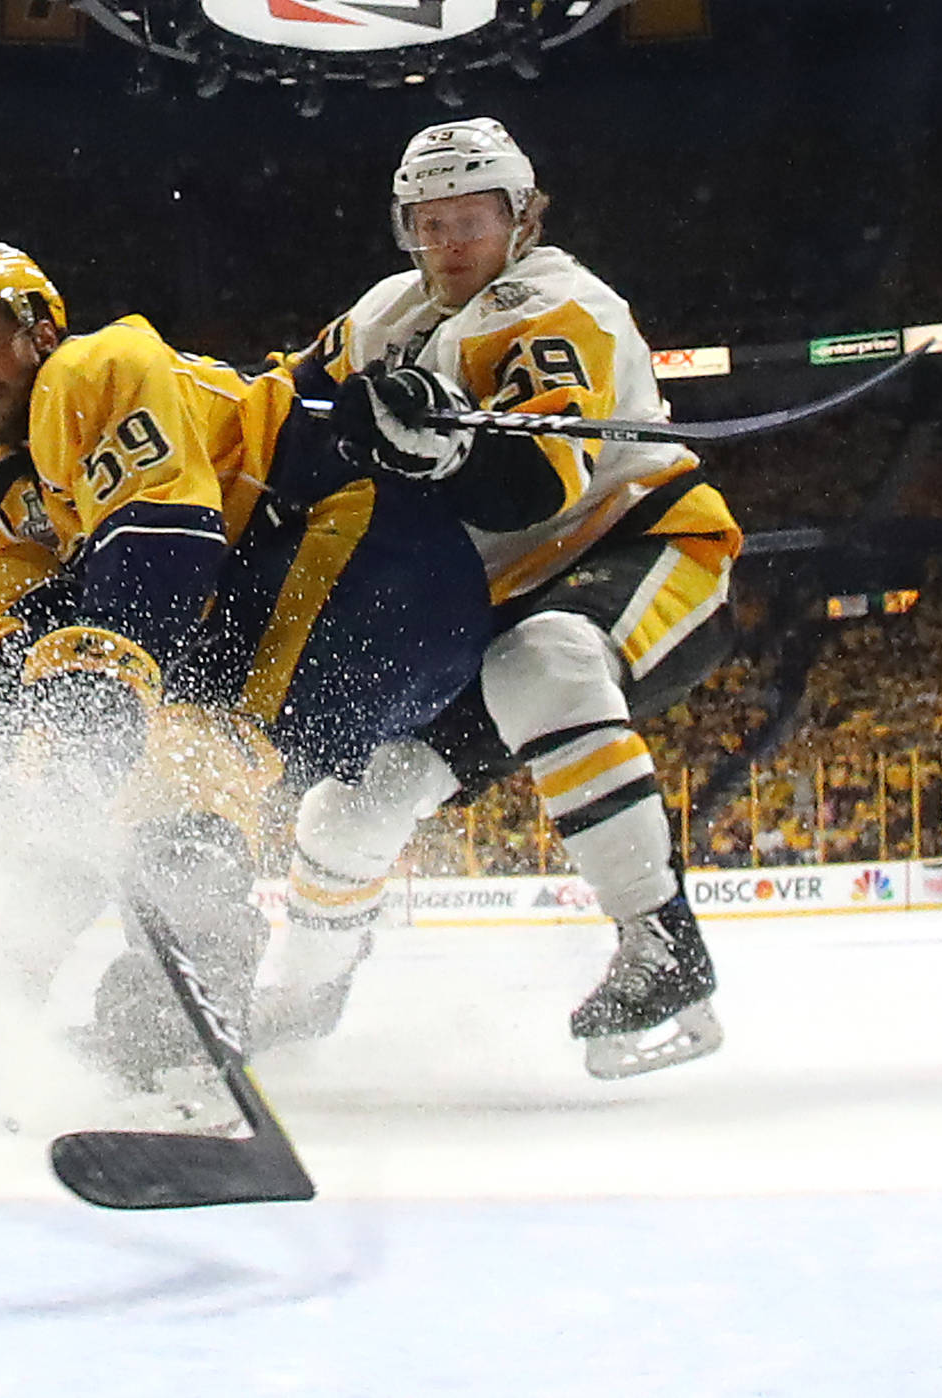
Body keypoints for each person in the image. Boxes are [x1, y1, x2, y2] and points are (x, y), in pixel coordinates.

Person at [0, 239, 491, 1093]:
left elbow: (160, 550)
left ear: (38, 326)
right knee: (79, 766)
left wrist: (91, 688)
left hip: (374, 557)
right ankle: (17, 975)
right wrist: (44, 705)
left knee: (183, 749)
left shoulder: (98, 367)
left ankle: (181, 1011)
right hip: (256, 597)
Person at [265, 118, 745, 1080]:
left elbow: (537, 482)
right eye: (428, 223)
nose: (448, 246)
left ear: (523, 220)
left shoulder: (561, 306)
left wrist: (434, 447)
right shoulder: (387, 314)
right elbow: (272, 406)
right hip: (489, 610)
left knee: (549, 660)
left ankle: (663, 943)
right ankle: (302, 994)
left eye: (470, 222)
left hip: (641, 546)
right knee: (353, 807)